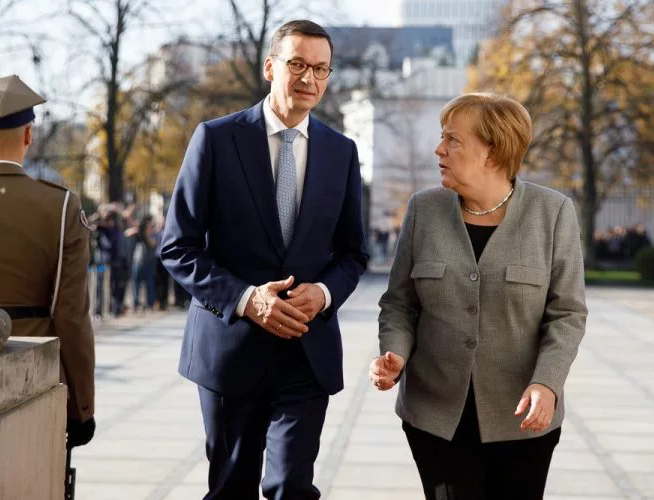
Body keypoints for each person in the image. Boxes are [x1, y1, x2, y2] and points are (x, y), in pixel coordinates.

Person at [161, 20, 368, 500]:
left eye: (321, 68)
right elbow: (177, 246)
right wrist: (246, 299)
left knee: (292, 487)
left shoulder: (341, 152)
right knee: (230, 489)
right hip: (230, 351)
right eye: (297, 64)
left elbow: (353, 252)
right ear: (271, 67)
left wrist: (324, 293)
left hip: (306, 352)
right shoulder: (216, 139)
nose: (309, 78)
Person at [369, 92, 587, 499]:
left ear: (493, 151)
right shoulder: (423, 210)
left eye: (452, 139)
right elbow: (399, 303)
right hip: (435, 418)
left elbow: (567, 314)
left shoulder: (553, 213)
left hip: (522, 418)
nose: (439, 149)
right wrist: (394, 353)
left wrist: (547, 382)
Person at [0, 75, 96, 449]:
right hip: (37, 371)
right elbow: (71, 315)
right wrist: (82, 406)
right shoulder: (60, 206)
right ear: (29, 135)